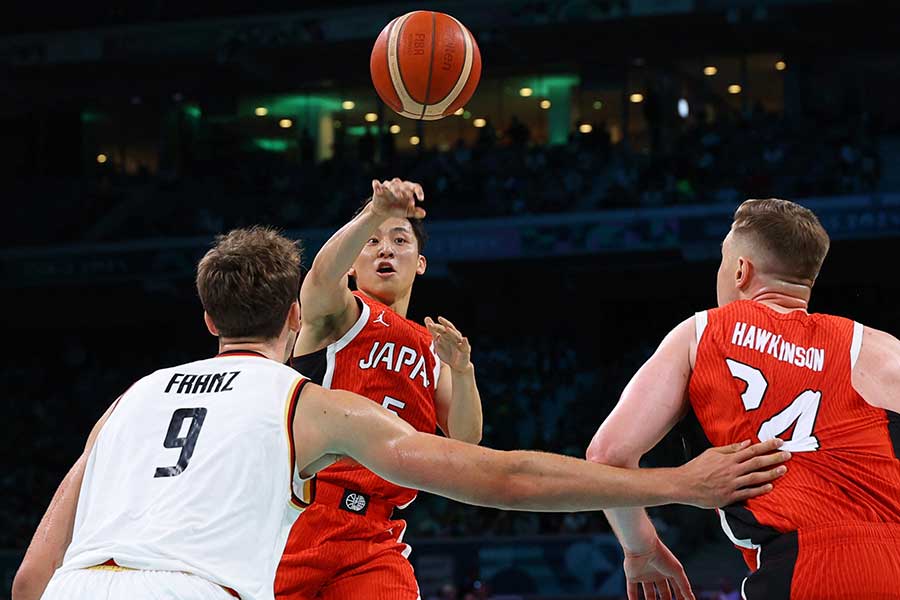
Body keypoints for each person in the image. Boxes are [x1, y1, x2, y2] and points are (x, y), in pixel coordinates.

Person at [11, 227, 790, 600]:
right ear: (299, 318)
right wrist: (679, 483)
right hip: (295, 532)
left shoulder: (124, 406)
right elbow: (503, 475)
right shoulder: (311, 396)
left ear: (208, 317)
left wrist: (461, 371)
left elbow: (30, 580)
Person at [586, 198, 900, 600]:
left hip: (805, 568)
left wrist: (640, 547)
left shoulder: (703, 331)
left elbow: (608, 455)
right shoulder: (878, 347)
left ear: (740, 270)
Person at [275, 178, 484, 600]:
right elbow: (319, 276)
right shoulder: (339, 313)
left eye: (399, 239)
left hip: (375, 536)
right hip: (300, 516)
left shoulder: (431, 347)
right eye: (371, 242)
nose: (385, 249)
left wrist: (462, 371)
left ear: (420, 262)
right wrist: (375, 210)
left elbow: (466, 438)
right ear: (352, 262)